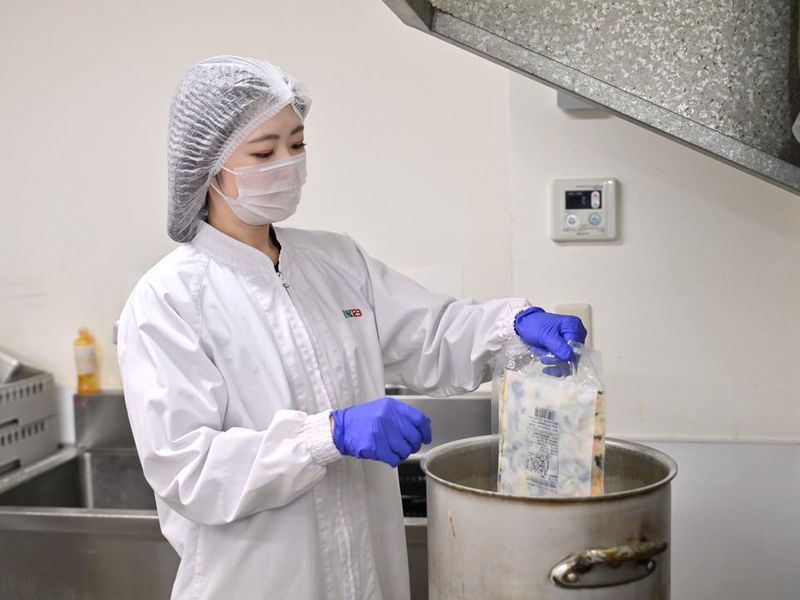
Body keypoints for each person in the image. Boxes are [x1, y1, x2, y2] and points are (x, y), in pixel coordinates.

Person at [116, 55, 586, 600]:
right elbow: (190, 471)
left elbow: (431, 334)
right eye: (264, 152)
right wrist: (327, 435)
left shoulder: (334, 261)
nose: (288, 163)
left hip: (366, 577)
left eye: (297, 144)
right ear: (208, 166)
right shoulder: (169, 299)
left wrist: (514, 325)